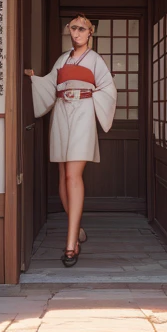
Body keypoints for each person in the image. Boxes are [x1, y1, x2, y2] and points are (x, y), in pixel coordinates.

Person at [24, 14, 117, 266]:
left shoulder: (95, 60)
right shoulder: (62, 59)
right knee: (63, 177)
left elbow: (109, 89)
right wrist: (34, 78)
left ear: (90, 33)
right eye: (73, 28)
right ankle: (76, 230)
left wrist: (91, 98)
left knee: (73, 176)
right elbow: (51, 83)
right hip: (62, 113)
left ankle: (70, 243)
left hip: (83, 112)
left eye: (81, 29)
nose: (76, 33)